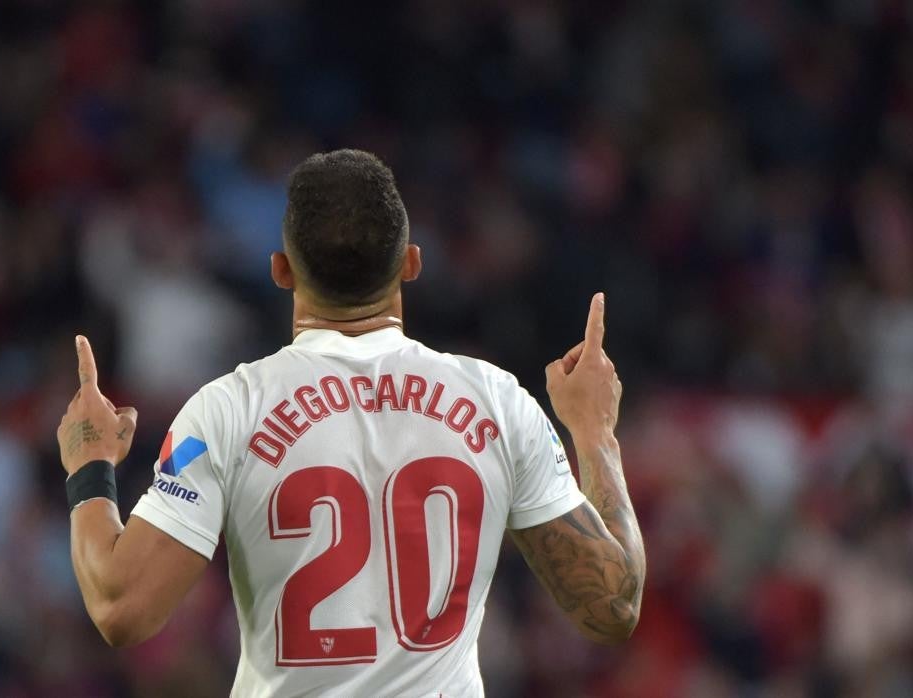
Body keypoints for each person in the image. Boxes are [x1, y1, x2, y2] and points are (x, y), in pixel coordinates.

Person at [56, 150, 645, 697]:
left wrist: (90, 464)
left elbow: (121, 609)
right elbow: (611, 606)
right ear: (411, 263)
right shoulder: (496, 401)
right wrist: (594, 431)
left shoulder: (228, 410)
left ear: (281, 270)